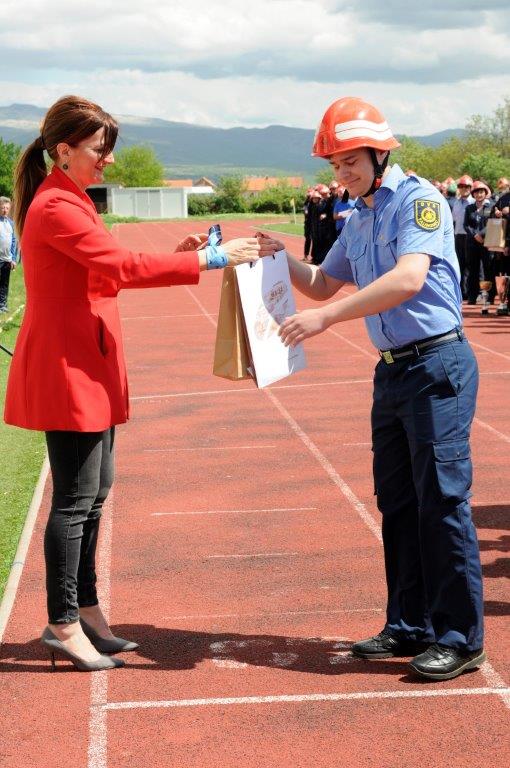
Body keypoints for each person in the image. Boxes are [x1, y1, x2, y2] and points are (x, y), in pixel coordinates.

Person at [3, 95, 279, 672]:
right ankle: (61, 621)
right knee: (75, 501)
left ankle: (87, 611)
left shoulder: (70, 198)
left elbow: (109, 266)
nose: (107, 162)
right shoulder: (56, 206)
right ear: (64, 150)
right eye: (100, 152)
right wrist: (214, 259)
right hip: (70, 368)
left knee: (95, 491)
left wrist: (184, 255)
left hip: (88, 362)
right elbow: (119, 269)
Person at [276, 96, 485, 681]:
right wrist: (278, 255)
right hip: (392, 369)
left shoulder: (416, 201)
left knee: (442, 502)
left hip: (437, 364)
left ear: (379, 151)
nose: (342, 173)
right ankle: (410, 623)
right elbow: (321, 283)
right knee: (397, 503)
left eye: (350, 161)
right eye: (335, 164)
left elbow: (409, 278)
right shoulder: (359, 214)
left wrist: (329, 319)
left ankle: (460, 638)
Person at [464, 180, 493, 305]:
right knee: (473, 270)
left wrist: (481, 234)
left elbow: (491, 223)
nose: (479, 195)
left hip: (486, 242)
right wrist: (475, 234)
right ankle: (472, 296)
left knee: (488, 269)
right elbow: (466, 225)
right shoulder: (469, 208)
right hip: (472, 243)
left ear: (485, 193)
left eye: (481, 192)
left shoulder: (491, 206)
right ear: (473, 194)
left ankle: (489, 297)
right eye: (476, 192)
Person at [451, 175, 474, 299]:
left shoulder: (473, 202)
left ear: (470, 188)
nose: (463, 189)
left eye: (466, 187)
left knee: (471, 265)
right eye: (460, 186)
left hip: (470, 236)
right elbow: (454, 219)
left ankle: (471, 291)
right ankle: (462, 291)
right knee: (459, 263)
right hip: (458, 235)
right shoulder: (456, 202)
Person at [0, 196, 18, 312]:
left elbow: (13, 241)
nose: (5, 210)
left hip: (7, 259)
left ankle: (3, 305)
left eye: (7, 208)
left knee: (4, 284)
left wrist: (13, 259)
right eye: (3, 208)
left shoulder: (11, 223)